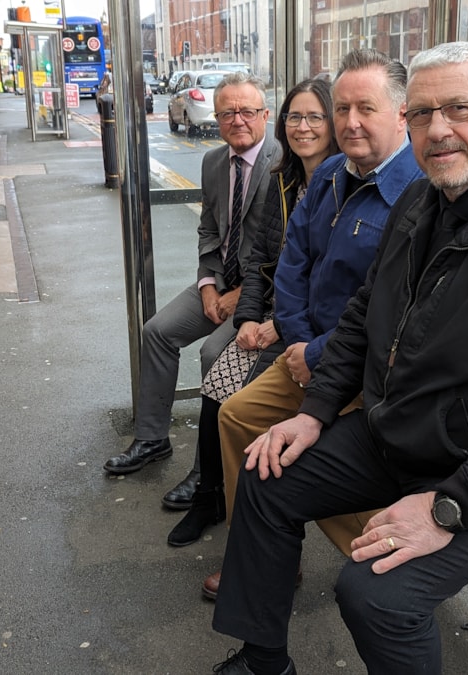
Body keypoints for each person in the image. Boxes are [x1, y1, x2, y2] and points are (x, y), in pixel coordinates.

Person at [209, 42, 468, 675]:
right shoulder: (422, 201)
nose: (438, 130)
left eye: (459, 109)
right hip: (403, 432)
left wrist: (446, 507)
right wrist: (314, 411)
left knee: (374, 594)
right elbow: (364, 315)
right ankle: (263, 661)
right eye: (423, 113)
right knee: (267, 472)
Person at [202, 49, 424, 601]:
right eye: (342, 107)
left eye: (365, 108)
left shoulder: (416, 195)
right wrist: (298, 342)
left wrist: (316, 353)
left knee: (307, 472)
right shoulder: (329, 173)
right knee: (236, 416)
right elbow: (294, 260)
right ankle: (262, 554)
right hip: (304, 352)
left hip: (359, 370)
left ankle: (389, 569)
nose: (349, 122)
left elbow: (392, 311)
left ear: (401, 114)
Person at [166, 78, 340, 547]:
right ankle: (210, 495)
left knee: (230, 386)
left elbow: (333, 284)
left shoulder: (347, 183)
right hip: (270, 318)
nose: (302, 127)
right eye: (295, 118)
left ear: (334, 123)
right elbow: (262, 261)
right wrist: (246, 319)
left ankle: (262, 531)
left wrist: (276, 324)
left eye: (315, 117)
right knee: (216, 384)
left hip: (313, 333)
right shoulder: (283, 181)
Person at [103, 72, 280, 512]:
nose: (237, 120)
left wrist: (240, 297)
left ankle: (209, 472)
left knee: (213, 355)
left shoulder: (285, 162)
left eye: (247, 111)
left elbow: (288, 246)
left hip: (265, 296)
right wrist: (206, 284)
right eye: (227, 113)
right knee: (158, 331)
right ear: (216, 117)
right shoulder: (214, 161)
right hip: (219, 282)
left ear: (265, 114)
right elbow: (209, 229)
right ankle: (151, 439)